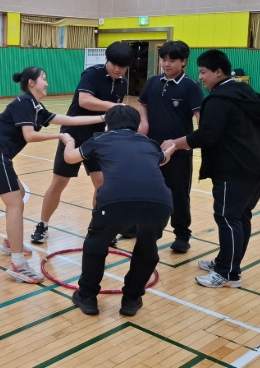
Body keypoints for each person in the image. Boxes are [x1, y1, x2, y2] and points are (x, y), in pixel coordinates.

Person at [0, 67, 104, 284]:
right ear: (31, 83)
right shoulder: (24, 103)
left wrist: (102, 117)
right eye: (44, 79)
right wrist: (60, 137)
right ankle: (18, 264)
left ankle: (10, 243)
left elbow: (69, 120)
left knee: (19, 194)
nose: (47, 83)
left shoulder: (35, 106)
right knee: (15, 204)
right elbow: (30, 135)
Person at [160, 50, 260, 288]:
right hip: (259, 165)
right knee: (240, 216)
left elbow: (206, 135)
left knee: (228, 217)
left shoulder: (220, 99)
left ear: (218, 72)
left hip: (235, 169)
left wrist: (174, 144)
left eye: (203, 72)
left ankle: (228, 274)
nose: (200, 77)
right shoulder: (244, 92)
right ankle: (226, 261)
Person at [62, 105, 175, 316]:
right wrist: (170, 150)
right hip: (159, 204)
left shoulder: (100, 139)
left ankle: (87, 296)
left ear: (107, 125)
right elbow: (162, 159)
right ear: (136, 125)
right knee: (147, 248)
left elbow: (70, 158)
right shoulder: (148, 142)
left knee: (96, 243)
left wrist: (68, 141)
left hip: (114, 202)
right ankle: (131, 299)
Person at [31, 42, 132, 244]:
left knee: (102, 185)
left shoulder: (123, 83)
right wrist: (115, 107)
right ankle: (43, 224)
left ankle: (98, 228)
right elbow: (85, 100)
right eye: (114, 64)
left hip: (99, 139)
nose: (117, 69)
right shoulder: (92, 74)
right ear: (107, 59)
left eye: (122, 66)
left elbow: (111, 116)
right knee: (59, 182)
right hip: (73, 135)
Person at [136, 41, 204, 253]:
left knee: (179, 194)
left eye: (172, 60)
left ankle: (182, 234)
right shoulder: (152, 82)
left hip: (179, 152)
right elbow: (143, 104)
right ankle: (139, 227)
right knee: (147, 189)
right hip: (151, 149)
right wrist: (144, 122)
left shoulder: (191, 86)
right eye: (163, 59)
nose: (166, 64)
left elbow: (201, 119)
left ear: (183, 62)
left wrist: (190, 140)